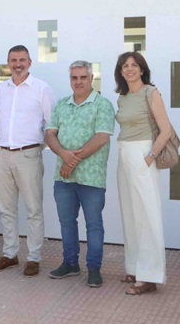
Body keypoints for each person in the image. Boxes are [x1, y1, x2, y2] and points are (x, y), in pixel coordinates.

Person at [44, 60, 115, 288]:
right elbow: (49, 134)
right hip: (63, 177)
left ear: (91, 78)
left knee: (93, 225)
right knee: (67, 223)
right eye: (74, 78)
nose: (78, 82)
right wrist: (63, 154)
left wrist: (72, 159)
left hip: (91, 178)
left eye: (83, 77)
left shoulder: (102, 105)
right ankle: (70, 264)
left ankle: (94, 269)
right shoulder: (62, 105)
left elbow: (101, 137)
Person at [0, 45, 55, 277]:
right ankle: (10, 254)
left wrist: (38, 148)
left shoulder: (41, 89)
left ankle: (34, 257)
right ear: (8, 63)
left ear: (29, 62)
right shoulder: (2, 89)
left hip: (28, 155)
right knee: (6, 208)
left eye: (22, 60)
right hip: (3, 154)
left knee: (33, 209)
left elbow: (51, 124)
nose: (18, 64)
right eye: (13, 60)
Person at [114, 51, 172, 295]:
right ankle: (135, 267)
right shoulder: (123, 97)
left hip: (143, 154)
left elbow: (166, 130)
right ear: (120, 71)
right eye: (125, 66)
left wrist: (149, 157)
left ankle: (150, 276)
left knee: (147, 215)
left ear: (142, 69)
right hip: (124, 154)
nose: (129, 69)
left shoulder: (151, 92)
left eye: (134, 65)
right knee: (129, 213)